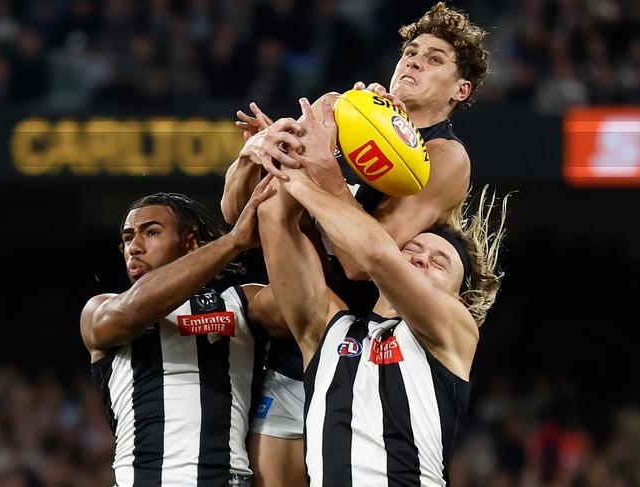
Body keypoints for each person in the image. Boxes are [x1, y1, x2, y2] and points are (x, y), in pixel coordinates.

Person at [222, 3, 490, 485]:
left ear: (460, 90)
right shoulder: (344, 110)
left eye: (434, 59)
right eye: (410, 52)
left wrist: (320, 172)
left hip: (363, 348)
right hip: (303, 336)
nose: (413, 62)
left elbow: (363, 262)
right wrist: (256, 155)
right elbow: (236, 216)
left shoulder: (445, 157)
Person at [257, 97, 509, 485]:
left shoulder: (453, 331)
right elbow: (272, 217)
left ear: (456, 298)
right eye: (414, 251)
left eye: (439, 264)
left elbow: (376, 255)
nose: (421, 261)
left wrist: (315, 174)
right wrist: (294, 147)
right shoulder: (330, 329)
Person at [80, 180, 283, 487]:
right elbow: (129, 313)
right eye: (127, 237)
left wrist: (285, 210)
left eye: (151, 232)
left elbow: (304, 306)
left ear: (190, 243)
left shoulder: (243, 302)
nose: (134, 247)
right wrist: (233, 242)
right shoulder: (102, 307)